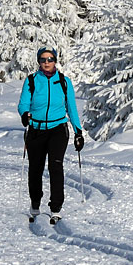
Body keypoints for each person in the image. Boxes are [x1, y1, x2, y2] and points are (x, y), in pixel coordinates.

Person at [18, 47, 86, 224]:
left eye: (50, 59)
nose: (46, 62)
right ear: (38, 62)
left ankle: (56, 207)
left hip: (57, 129)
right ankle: (35, 203)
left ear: (55, 60)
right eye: (43, 59)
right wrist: (25, 114)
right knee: (36, 168)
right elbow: (23, 103)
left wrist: (78, 132)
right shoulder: (32, 81)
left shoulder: (64, 82)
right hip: (36, 130)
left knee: (56, 167)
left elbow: (71, 108)